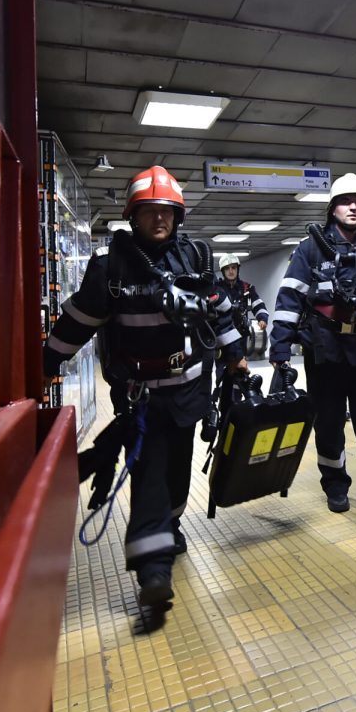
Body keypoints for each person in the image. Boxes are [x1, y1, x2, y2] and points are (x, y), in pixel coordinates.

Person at [42, 165, 247, 611]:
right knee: (150, 473)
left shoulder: (195, 258)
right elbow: (77, 322)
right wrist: (45, 362)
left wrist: (237, 357)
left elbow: (222, 313)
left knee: (177, 470)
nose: (160, 220)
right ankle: (153, 572)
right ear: (134, 215)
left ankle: (171, 527)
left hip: (190, 391)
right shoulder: (109, 268)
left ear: (178, 216)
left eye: (167, 212)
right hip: (142, 396)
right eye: (150, 211)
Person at [269, 173, 356, 526]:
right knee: (329, 424)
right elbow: (289, 298)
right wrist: (280, 346)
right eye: (346, 201)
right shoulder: (311, 248)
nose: (353, 207)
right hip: (325, 349)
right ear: (333, 208)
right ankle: (335, 485)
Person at [215, 253, 268, 365]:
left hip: (241, 335)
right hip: (223, 337)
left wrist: (262, 318)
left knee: (241, 370)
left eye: (233, 267)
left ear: (238, 269)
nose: (231, 271)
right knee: (224, 372)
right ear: (222, 271)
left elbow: (258, 304)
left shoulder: (247, 288)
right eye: (227, 268)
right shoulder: (217, 289)